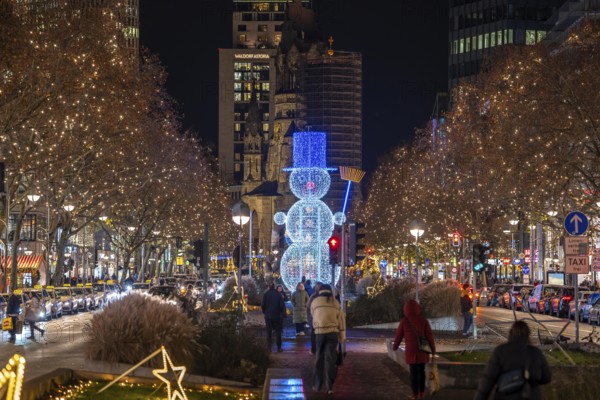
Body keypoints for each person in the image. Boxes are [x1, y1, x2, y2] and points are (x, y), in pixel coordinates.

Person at [475, 320, 551, 400]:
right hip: (530, 396)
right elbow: (547, 377)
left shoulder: (501, 351)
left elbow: (488, 379)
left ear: (511, 333)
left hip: (505, 396)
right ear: (528, 335)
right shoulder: (535, 352)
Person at [392, 299, 436, 400]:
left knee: (413, 373)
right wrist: (433, 350)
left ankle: (414, 394)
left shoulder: (404, 321)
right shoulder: (423, 320)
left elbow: (398, 336)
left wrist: (395, 347)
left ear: (406, 309)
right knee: (422, 371)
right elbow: (429, 336)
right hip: (423, 351)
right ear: (417, 308)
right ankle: (421, 392)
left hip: (411, 352)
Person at [310, 284, 346, 395]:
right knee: (330, 359)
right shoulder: (335, 303)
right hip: (333, 333)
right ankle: (329, 387)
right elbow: (341, 320)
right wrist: (342, 336)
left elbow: (313, 315)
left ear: (320, 291)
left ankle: (317, 385)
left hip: (320, 333)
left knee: (319, 358)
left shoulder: (315, 302)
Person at [261, 282, 285, 352]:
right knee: (278, 332)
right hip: (277, 316)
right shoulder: (278, 295)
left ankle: (269, 347)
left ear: (269, 287)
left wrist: (265, 312)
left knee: (269, 332)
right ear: (274, 287)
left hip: (268, 316)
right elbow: (282, 306)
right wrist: (280, 313)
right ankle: (279, 347)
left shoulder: (266, 294)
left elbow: (262, 305)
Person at [307, 282, 322, 354]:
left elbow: (308, 305)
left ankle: (314, 349)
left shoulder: (313, 296)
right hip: (323, 318)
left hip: (315, 317)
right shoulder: (325, 296)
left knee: (314, 333)